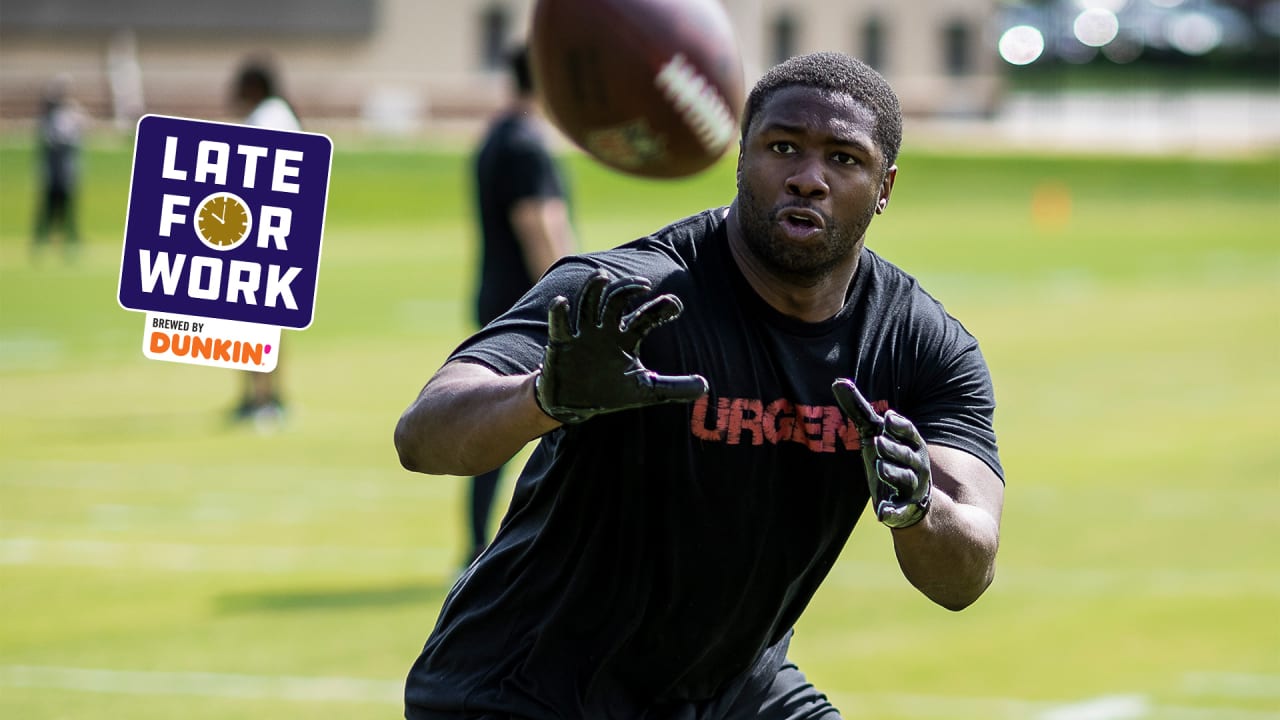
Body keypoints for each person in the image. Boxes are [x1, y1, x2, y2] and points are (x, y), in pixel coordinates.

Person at [394, 51, 1004, 720]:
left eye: (844, 159)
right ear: (741, 156)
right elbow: (423, 435)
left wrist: (920, 510)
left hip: (730, 690)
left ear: (884, 187)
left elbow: (965, 574)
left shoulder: (919, 345)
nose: (808, 178)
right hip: (524, 688)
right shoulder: (631, 298)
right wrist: (542, 396)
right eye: (782, 147)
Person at [463, 45, 576, 567]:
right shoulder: (529, 146)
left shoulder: (494, 138)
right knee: (555, 419)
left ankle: (474, 545)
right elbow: (541, 228)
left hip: (496, 300)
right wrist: (573, 300)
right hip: (532, 312)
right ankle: (535, 550)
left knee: (493, 424)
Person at [228, 57, 301, 428]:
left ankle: (262, 399)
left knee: (256, 321)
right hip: (273, 231)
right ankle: (264, 396)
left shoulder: (268, 117)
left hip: (262, 233)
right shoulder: (280, 114)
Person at [33, 75, 85, 261]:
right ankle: (40, 241)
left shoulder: (71, 114)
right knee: (48, 208)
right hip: (52, 171)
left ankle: (71, 242)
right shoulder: (48, 117)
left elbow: (74, 136)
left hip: (67, 172)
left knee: (68, 209)